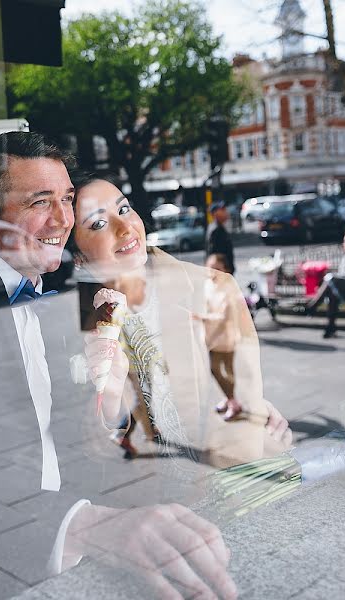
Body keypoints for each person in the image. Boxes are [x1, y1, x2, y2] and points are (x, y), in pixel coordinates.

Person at [0, 132, 239, 600]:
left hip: (78, 558)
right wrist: (82, 525)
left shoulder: (62, 306)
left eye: (67, 199)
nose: (64, 219)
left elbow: (71, 444)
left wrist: (111, 405)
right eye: (41, 201)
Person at [70, 174, 292, 471]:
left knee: (145, 393)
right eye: (98, 224)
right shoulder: (96, 292)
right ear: (80, 260)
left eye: (124, 209)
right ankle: (136, 430)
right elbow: (95, 331)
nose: (125, 228)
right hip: (128, 360)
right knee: (139, 394)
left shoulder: (168, 274)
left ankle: (140, 430)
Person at [198, 253, 243, 421]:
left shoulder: (229, 287)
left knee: (221, 369)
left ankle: (233, 402)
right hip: (211, 334)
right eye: (210, 267)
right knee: (221, 370)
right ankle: (230, 398)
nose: (213, 271)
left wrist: (202, 318)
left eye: (217, 268)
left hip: (225, 335)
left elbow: (224, 317)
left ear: (225, 269)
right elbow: (207, 307)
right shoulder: (207, 284)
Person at [206, 201, 235, 274]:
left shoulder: (219, 227)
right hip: (222, 272)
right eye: (223, 210)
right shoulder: (216, 230)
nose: (226, 212)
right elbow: (215, 255)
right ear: (215, 213)